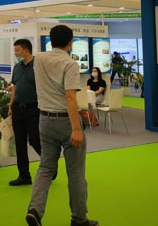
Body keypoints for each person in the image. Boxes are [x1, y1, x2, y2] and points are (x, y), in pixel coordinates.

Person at [26, 25, 98, 226]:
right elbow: (70, 97)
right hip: (66, 121)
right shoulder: (70, 64)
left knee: (45, 167)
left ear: (50, 40)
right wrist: (76, 129)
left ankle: (35, 209)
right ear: (70, 42)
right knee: (75, 173)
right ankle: (79, 219)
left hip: (44, 120)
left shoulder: (39, 59)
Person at [8, 39, 46, 186]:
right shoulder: (17, 67)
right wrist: (11, 106)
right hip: (18, 108)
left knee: (35, 140)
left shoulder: (38, 66)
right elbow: (15, 87)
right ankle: (24, 175)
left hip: (33, 108)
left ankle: (50, 164)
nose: (15, 53)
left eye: (17, 50)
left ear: (26, 50)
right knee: (20, 143)